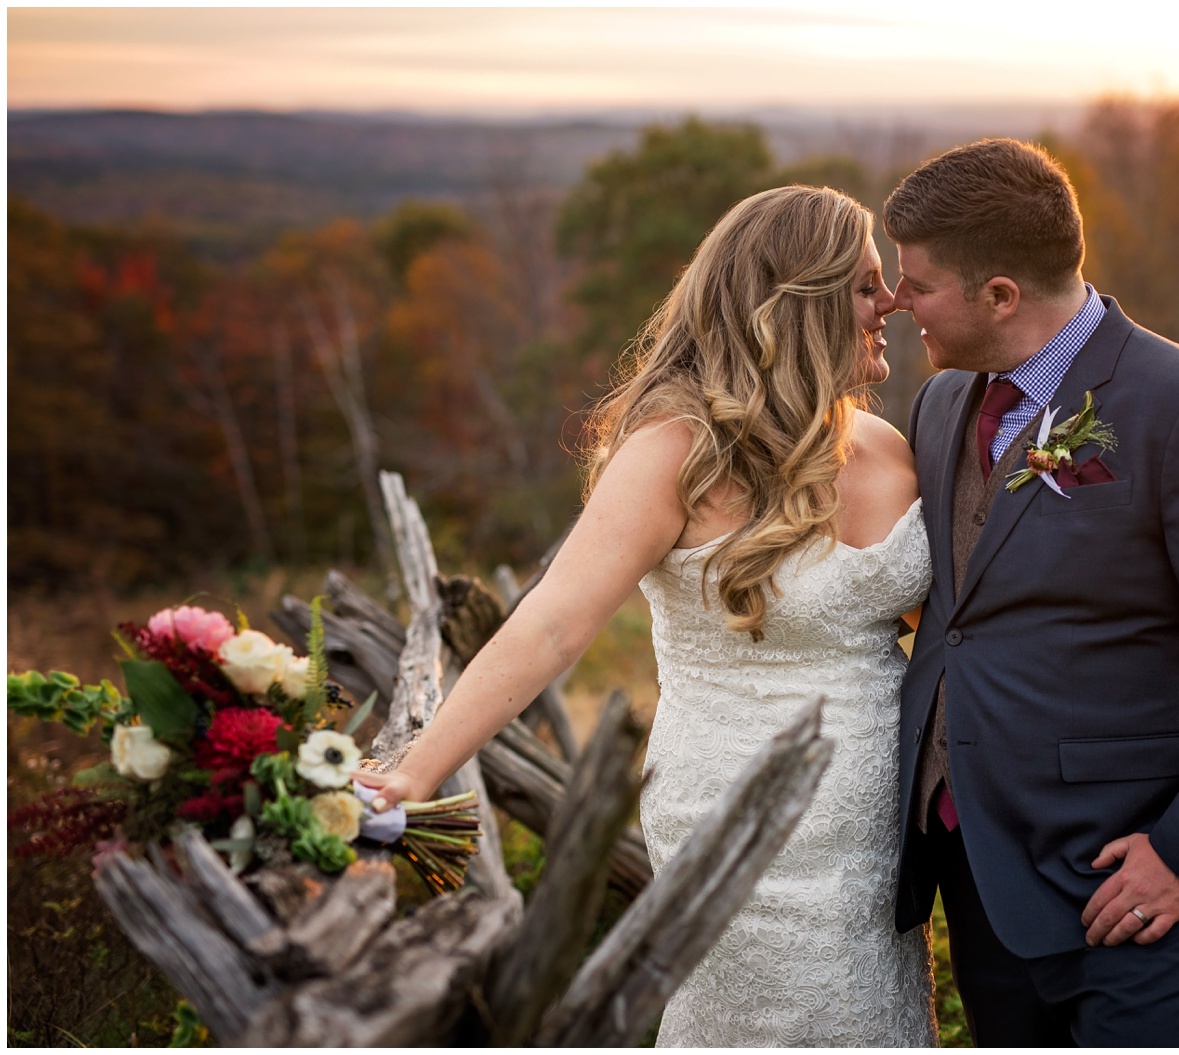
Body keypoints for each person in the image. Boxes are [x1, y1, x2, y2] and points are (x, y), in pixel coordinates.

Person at [358, 185, 938, 1047]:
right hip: (733, 827)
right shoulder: (677, 452)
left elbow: (960, 636)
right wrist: (414, 770)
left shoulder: (895, 449)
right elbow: (551, 625)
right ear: (799, 302)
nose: (888, 301)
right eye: (862, 286)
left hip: (882, 846)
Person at [884, 138, 1179, 1046]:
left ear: (1001, 295)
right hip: (977, 872)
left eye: (918, 284)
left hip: (1126, 889)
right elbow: (965, 614)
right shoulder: (940, 405)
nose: (900, 304)